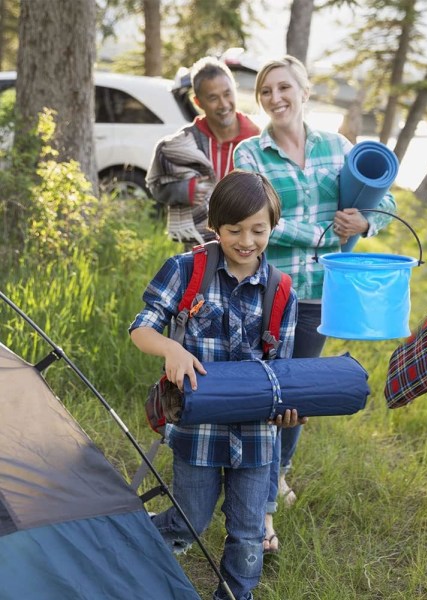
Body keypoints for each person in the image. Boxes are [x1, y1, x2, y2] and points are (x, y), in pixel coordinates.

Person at [234, 55, 396, 552]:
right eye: (266, 91)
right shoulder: (249, 154)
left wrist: (366, 225)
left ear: (305, 92)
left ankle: (277, 473)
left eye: (285, 88)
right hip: (264, 291)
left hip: (319, 298)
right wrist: (327, 233)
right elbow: (257, 220)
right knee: (265, 395)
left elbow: (383, 202)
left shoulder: (337, 146)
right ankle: (260, 514)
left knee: (296, 399)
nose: (276, 98)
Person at [129, 170, 304, 600]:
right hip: (198, 432)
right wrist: (171, 349)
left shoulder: (281, 291)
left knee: (247, 535)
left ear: (272, 228)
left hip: (257, 437)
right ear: (214, 226)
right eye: (234, 230)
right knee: (190, 520)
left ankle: (234, 595)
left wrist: (287, 409)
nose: (247, 240)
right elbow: (142, 327)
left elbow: (282, 370)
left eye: (258, 230)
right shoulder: (187, 269)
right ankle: (129, 550)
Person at [146, 56, 260, 247]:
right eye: (213, 98)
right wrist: (184, 190)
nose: (223, 104)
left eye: (227, 93)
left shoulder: (257, 138)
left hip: (248, 246)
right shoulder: (184, 143)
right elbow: (155, 185)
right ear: (198, 102)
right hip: (199, 246)